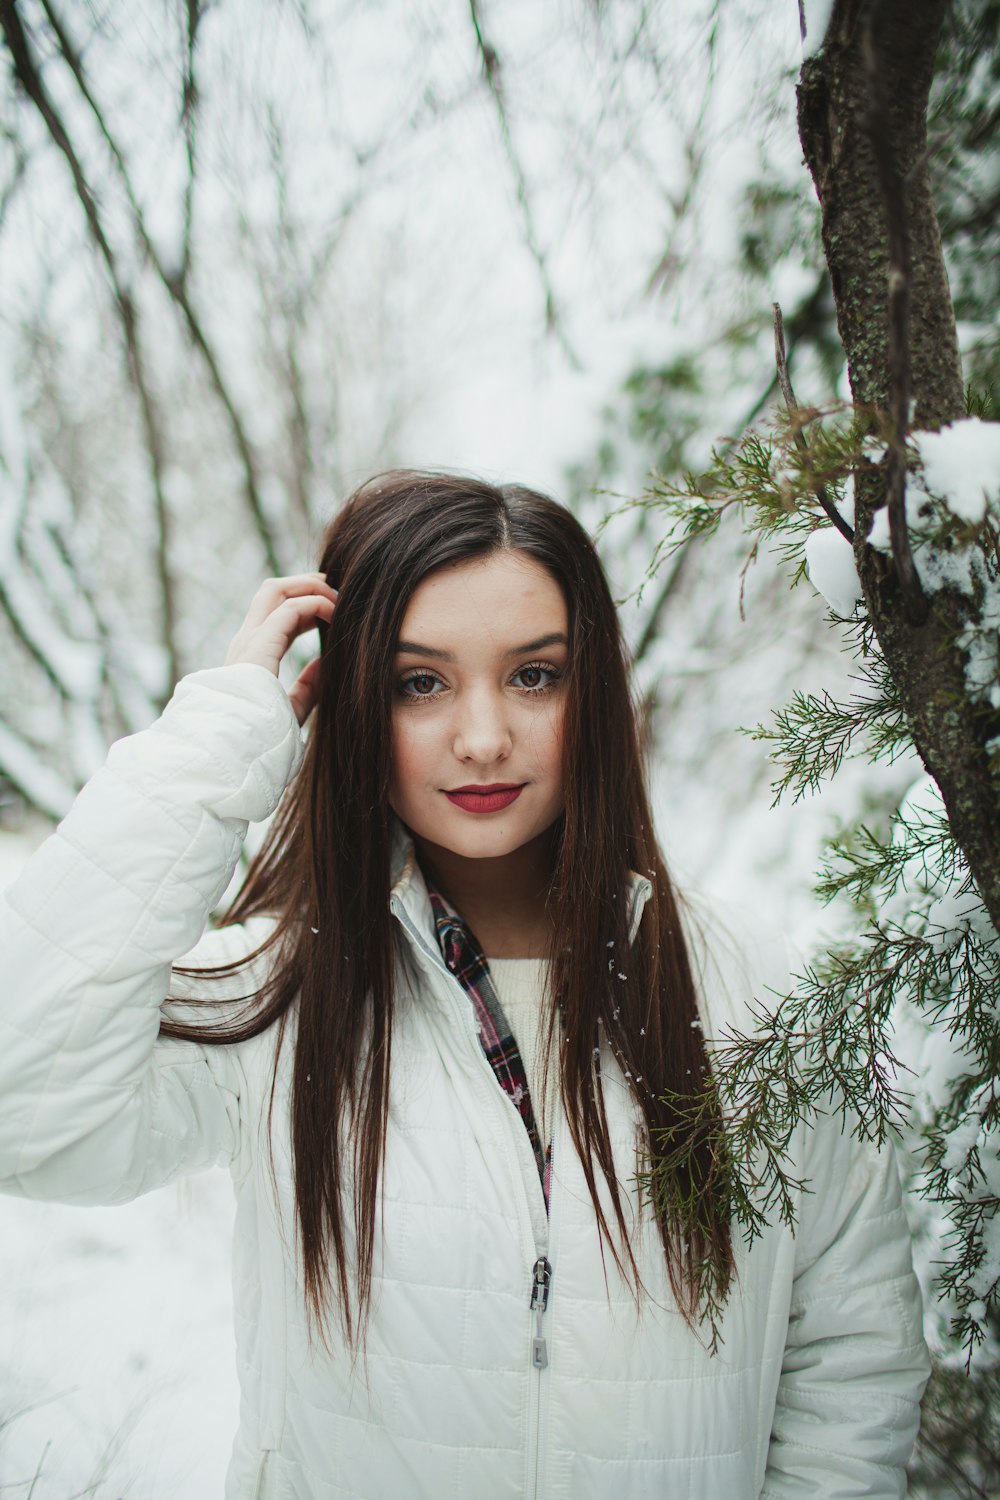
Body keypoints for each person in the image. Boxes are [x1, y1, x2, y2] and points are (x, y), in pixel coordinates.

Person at [1, 470, 928, 1499]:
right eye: (419, 682)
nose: (483, 736)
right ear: (353, 703)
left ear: (594, 694)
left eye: (533, 676)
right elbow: (22, 1111)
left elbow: (850, 1359)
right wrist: (214, 746)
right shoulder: (276, 999)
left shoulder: (755, 995)